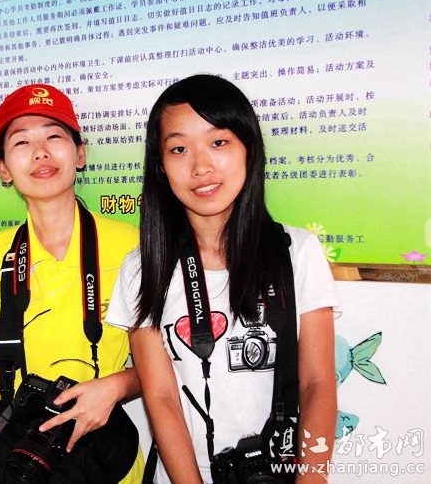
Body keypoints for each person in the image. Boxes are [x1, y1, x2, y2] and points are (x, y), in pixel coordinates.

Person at [106, 74, 339, 483]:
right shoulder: (143, 268)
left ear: (248, 148)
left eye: (218, 142)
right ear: (160, 165)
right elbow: (161, 397)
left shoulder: (296, 252)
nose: (201, 166)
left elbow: (317, 383)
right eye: (179, 149)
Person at [0, 84, 144, 483]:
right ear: (3, 169)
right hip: (20, 456)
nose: (41, 152)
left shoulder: (130, 245)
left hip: (103, 459)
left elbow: (165, 362)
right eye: (22, 142)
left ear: (80, 154)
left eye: (54, 136)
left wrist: (116, 386)